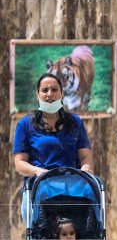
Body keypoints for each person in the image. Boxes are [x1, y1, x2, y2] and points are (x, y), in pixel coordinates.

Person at [13, 73, 94, 221]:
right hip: (40, 189)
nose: (49, 94)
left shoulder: (75, 122)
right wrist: (38, 171)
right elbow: (19, 163)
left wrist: (86, 169)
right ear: (38, 95)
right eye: (45, 90)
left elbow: (85, 156)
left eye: (54, 89)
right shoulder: (25, 125)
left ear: (62, 94)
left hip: (72, 189)